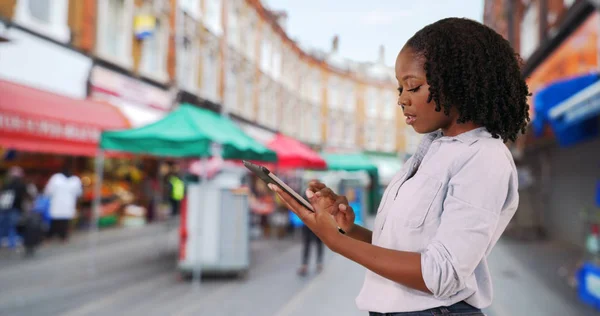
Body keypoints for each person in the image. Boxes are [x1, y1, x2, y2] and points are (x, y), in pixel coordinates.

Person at [269, 18, 529, 315]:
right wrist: (346, 230)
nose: (402, 100)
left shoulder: (484, 157)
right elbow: (405, 252)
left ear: (455, 82)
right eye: (399, 89)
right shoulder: (430, 150)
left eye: (413, 86)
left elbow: (440, 274)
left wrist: (337, 244)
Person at [44, 165, 82, 242]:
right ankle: (62, 237)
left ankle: (51, 237)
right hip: (67, 205)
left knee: (56, 222)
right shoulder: (75, 180)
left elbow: (48, 191)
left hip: (57, 204)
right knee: (63, 222)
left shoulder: (56, 178)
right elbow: (79, 193)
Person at [0, 167, 28, 249]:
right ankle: (12, 244)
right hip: (16, 208)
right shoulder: (22, 185)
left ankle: (3, 241)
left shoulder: (7, 184)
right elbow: (24, 196)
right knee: (13, 226)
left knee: (3, 226)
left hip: (4, 208)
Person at [297, 189, 324, 276]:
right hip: (308, 224)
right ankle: (307, 264)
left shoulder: (319, 197)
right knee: (308, 244)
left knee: (316, 243)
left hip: (316, 223)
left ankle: (318, 263)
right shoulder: (306, 195)